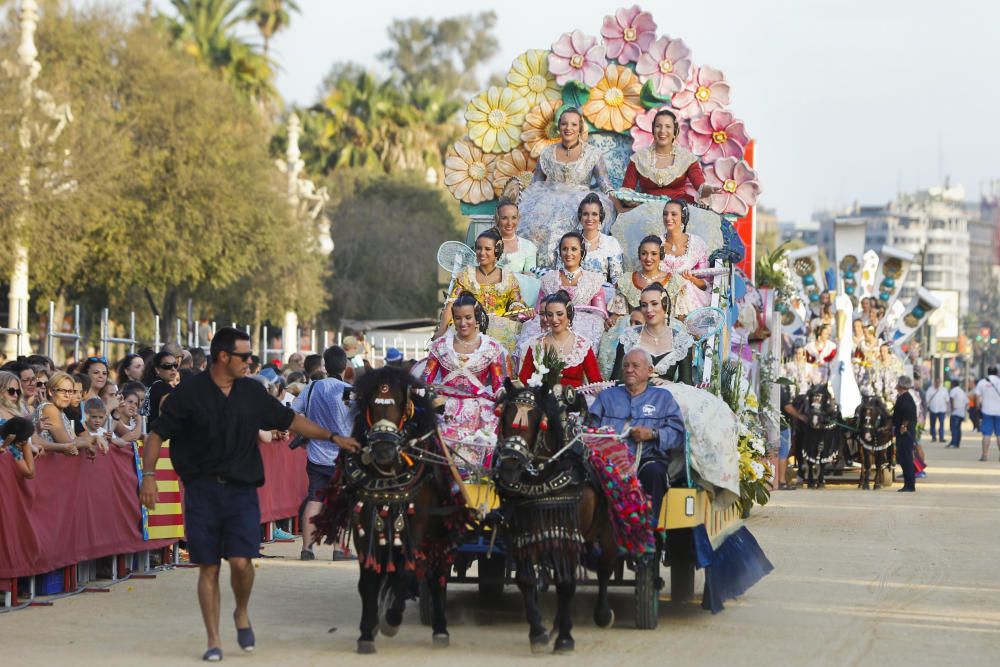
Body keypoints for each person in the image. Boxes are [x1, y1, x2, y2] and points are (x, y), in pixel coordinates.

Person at [140, 328, 355, 661]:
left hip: (241, 492)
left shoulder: (251, 393)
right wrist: (149, 476)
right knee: (208, 567)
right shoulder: (189, 393)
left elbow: (292, 420)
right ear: (224, 357)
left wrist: (333, 437)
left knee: (241, 563)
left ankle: (241, 611)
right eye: (245, 357)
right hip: (201, 490)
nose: (250, 362)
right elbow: (156, 435)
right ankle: (213, 640)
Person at [587, 349, 686, 513]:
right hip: (608, 461)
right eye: (625, 365)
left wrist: (652, 434)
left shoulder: (663, 398)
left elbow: (677, 434)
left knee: (654, 473)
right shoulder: (606, 396)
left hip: (647, 459)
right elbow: (590, 429)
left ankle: (648, 530)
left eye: (635, 366)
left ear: (650, 371)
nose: (629, 369)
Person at [516, 107, 615, 266]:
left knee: (577, 219)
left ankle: (574, 268)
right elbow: (536, 184)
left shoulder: (592, 153)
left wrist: (618, 200)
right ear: (559, 127)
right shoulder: (547, 153)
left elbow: (605, 184)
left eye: (573, 125)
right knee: (535, 223)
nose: (568, 128)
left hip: (579, 200)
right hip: (548, 199)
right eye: (564, 124)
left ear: (580, 128)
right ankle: (541, 269)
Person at [291, 345, 361, 562]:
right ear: (345, 367)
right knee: (341, 502)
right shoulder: (348, 391)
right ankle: (338, 550)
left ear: (325, 365)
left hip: (316, 455)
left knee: (314, 499)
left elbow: (293, 411)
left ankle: (307, 548)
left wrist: (306, 432)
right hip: (342, 457)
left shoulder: (312, 388)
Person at [423, 293, 506, 471]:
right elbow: (425, 380)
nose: (463, 323)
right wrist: (431, 396)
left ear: (477, 318)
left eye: (468, 317)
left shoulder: (491, 347)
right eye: (458, 318)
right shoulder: (440, 346)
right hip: (444, 408)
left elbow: (499, 384)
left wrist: (503, 397)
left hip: (480, 409)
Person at [437, 228, 532, 355]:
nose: (482, 253)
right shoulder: (466, 275)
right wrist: (440, 331)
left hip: (500, 327)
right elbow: (451, 304)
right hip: (470, 326)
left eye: (487, 249)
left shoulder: (508, 277)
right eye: (479, 248)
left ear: (497, 250)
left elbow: (516, 302)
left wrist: (516, 312)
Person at [517, 231, 608, 356]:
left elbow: (600, 313)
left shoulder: (593, 280)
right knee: (530, 330)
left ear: (582, 252)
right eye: (564, 249)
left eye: (574, 249)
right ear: (560, 253)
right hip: (553, 322)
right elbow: (540, 309)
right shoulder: (549, 279)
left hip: (583, 325)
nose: (569, 253)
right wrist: (530, 314)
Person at [610, 283, 694, 385]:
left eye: (654, 304)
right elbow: (616, 380)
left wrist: (669, 385)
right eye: (644, 305)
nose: (649, 310)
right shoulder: (629, 337)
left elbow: (687, 384)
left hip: (667, 397)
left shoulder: (682, 341)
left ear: (665, 305)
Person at [519, 290, 602, 388]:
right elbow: (523, 380)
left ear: (569, 314)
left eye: (559, 314)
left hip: (573, 400)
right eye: (550, 315)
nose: (554, 319)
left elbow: (596, 382)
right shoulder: (536, 344)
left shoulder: (582, 345)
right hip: (543, 399)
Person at [655, 200, 711, 318]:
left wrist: (691, 279)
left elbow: (705, 285)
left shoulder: (697, 244)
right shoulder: (655, 243)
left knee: (684, 286)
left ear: (683, 217)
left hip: (690, 299)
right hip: (660, 299)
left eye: (673, 214)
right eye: (665, 214)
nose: (668, 218)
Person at [575, 193, 624, 286]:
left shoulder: (611, 243)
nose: (590, 218)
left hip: (601, 294)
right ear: (580, 217)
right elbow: (563, 273)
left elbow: (617, 278)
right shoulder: (571, 241)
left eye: (594, 214)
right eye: (585, 214)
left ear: (600, 217)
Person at [494, 199, 538, 274]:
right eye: (504, 218)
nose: (510, 223)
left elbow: (531, 279)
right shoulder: (486, 243)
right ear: (498, 219)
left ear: (518, 219)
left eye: (514, 218)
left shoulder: (528, 247)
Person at [892, 375, 918, 492]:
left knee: (906, 458)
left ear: (902, 386)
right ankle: (908, 483)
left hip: (905, 433)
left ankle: (910, 484)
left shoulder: (906, 398)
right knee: (902, 458)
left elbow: (908, 414)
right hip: (902, 432)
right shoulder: (903, 397)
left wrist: (903, 425)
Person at [142, 350, 179, 423]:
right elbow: (165, 420)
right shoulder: (165, 388)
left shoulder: (148, 385)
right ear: (157, 370)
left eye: (175, 365)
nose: (173, 369)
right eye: (167, 366)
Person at [974, 365, 1000, 462]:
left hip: (986, 411)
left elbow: (978, 398)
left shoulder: (982, 382)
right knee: (999, 434)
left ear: (988, 372)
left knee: (986, 434)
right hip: (999, 412)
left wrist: (978, 408)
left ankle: (984, 455)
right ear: (997, 372)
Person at [925, 377, 949, 443]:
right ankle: (934, 437)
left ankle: (941, 437)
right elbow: (927, 400)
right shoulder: (930, 390)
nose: (937, 383)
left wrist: (947, 409)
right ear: (934, 382)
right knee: (932, 424)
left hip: (942, 410)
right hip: (933, 409)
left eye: (939, 382)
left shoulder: (944, 390)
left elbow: (947, 400)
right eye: (936, 382)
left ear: (940, 382)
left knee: (942, 424)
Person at [948, 377, 969, 449]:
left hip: (955, 412)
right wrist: (963, 409)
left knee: (953, 428)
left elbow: (952, 398)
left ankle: (954, 443)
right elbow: (967, 402)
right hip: (961, 413)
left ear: (953, 384)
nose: (950, 385)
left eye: (951, 384)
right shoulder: (962, 391)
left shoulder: (953, 390)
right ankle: (957, 443)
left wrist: (953, 407)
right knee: (958, 429)